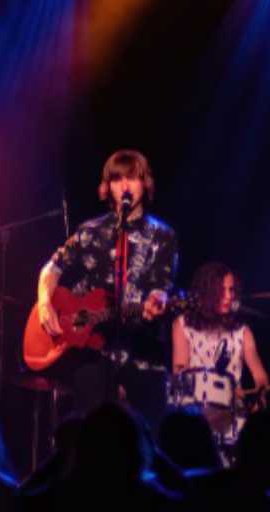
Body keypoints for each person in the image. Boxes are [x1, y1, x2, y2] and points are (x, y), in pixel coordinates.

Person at [35, 149, 178, 419]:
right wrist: (44, 303)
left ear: (144, 183)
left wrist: (155, 303)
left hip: (143, 356)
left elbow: (162, 285)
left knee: (147, 438)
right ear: (108, 186)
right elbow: (52, 268)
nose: (125, 186)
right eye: (117, 179)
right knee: (88, 435)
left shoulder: (163, 236)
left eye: (133, 178)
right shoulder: (90, 231)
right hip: (94, 352)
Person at [170, 261, 268, 451]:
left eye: (231, 290)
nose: (228, 296)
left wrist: (258, 392)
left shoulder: (243, 331)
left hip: (232, 415)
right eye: (222, 290)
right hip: (195, 415)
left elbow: (260, 374)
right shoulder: (182, 325)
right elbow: (179, 369)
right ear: (207, 292)